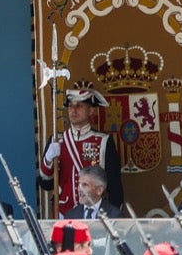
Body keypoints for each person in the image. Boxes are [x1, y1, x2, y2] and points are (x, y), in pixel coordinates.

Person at [40, 82, 123, 214]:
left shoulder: (103, 141)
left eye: (79, 106)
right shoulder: (57, 140)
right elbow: (46, 183)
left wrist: (113, 216)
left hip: (95, 214)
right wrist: (48, 159)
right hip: (64, 212)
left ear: (91, 110)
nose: (73, 110)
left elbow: (114, 185)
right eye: (70, 106)